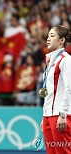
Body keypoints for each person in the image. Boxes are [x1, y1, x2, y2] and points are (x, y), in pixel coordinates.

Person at [40, 25, 71, 154]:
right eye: (48, 36)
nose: (48, 38)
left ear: (62, 40)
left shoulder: (66, 60)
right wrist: (44, 115)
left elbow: (70, 88)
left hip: (60, 116)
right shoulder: (50, 62)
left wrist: (63, 114)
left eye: (52, 36)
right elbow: (48, 92)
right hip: (48, 116)